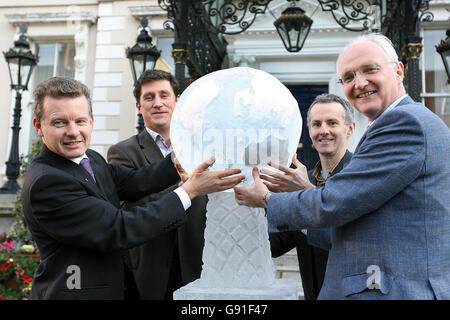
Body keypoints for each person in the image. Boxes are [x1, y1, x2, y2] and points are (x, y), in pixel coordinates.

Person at [234, 33, 450, 299]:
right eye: (348, 77)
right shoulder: (395, 124)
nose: (359, 83)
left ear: (399, 71)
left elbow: (333, 203)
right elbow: (348, 230)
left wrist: (267, 198)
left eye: (370, 69)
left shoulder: (405, 123)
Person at [22, 76, 244, 300]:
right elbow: (118, 228)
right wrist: (190, 191)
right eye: (60, 122)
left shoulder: (89, 157)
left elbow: (134, 181)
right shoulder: (47, 182)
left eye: (80, 121)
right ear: (39, 126)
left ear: (91, 121)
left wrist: (182, 159)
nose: (73, 131)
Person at [107, 70, 208, 300]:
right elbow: (131, 208)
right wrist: (187, 190)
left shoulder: (203, 147)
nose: (158, 103)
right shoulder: (122, 152)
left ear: (178, 100)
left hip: (200, 260)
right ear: (138, 106)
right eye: (149, 97)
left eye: (164, 95)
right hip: (151, 267)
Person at [267, 93, 355, 300]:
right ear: (310, 131)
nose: (323, 131)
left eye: (332, 123)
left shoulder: (362, 175)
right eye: (316, 124)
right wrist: (263, 197)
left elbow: (349, 239)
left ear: (349, 129)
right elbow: (276, 245)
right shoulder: (302, 181)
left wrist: (305, 193)